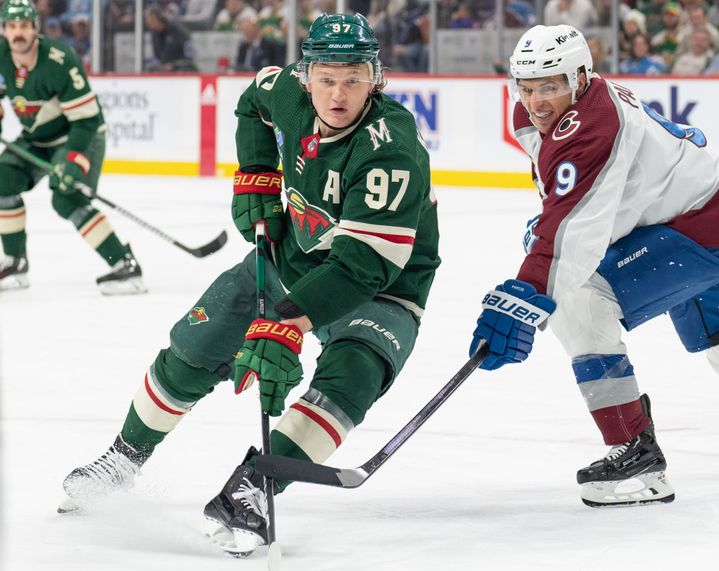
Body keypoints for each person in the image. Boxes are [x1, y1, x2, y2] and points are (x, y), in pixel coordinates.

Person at [59, 12, 440, 556]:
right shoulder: (286, 90)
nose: (338, 94)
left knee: (353, 371)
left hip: (383, 283)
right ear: (306, 75)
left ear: (375, 79)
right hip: (295, 254)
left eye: (354, 78)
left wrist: (284, 324)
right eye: (327, 78)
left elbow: (364, 266)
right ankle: (122, 458)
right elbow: (252, 102)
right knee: (194, 346)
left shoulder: (390, 150)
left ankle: (257, 484)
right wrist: (256, 175)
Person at [470, 23, 719, 508]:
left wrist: (525, 297)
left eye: (550, 86)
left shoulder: (593, 125)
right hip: (697, 218)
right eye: (526, 86)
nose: (536, 101)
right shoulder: (560, 110)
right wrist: (551, 231)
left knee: (578, 301)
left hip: (695, 232)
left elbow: (574, 238)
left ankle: (636, 456)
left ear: (581, 77)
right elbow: (585, 206)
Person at [0, 0, 145, 294]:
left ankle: (125, 266)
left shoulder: (59, 60)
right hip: (36, 138)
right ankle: (15, 263)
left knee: (66, 198)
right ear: (4, 30)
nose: (18, 33)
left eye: (24, 26)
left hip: (80, 135)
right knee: (3, 180)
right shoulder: (2, 54)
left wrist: (73, 158)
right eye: (12, 26)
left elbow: (87, 120)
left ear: (35, 28)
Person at [144, 6, 198, 72]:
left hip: (182, 68)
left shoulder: (178, 30)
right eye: (147, 21)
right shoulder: (154, 33)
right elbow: (157, 55)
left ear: (159, 18)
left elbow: (190, 55)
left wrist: (174, 65)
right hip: (164, 68)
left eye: (151, 20)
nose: (148, 23)